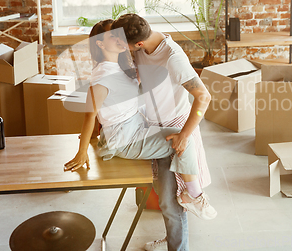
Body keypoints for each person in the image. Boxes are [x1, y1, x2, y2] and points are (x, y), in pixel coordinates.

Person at [63, 20, 216, 224]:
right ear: (100, 43)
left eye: (120, 34)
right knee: (183, 141)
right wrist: (82, 151)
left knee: (182, 137)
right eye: (113, 35)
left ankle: (185, 202)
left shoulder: (123, 64)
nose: (118, 38)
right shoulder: (102, 75)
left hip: (134, 123)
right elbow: (90, 114)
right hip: (123, 136)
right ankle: (194, 196)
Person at [112, 14, 214, 251]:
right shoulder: (142, 44)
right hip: (153, 129)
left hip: (174, 132)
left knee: (170, 200)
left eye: (122, 44)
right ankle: (172, 239)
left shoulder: (173, 57)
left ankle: (178, 246)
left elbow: (204, 97)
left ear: (137, 43)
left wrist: (185, 135)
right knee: (163, 196)